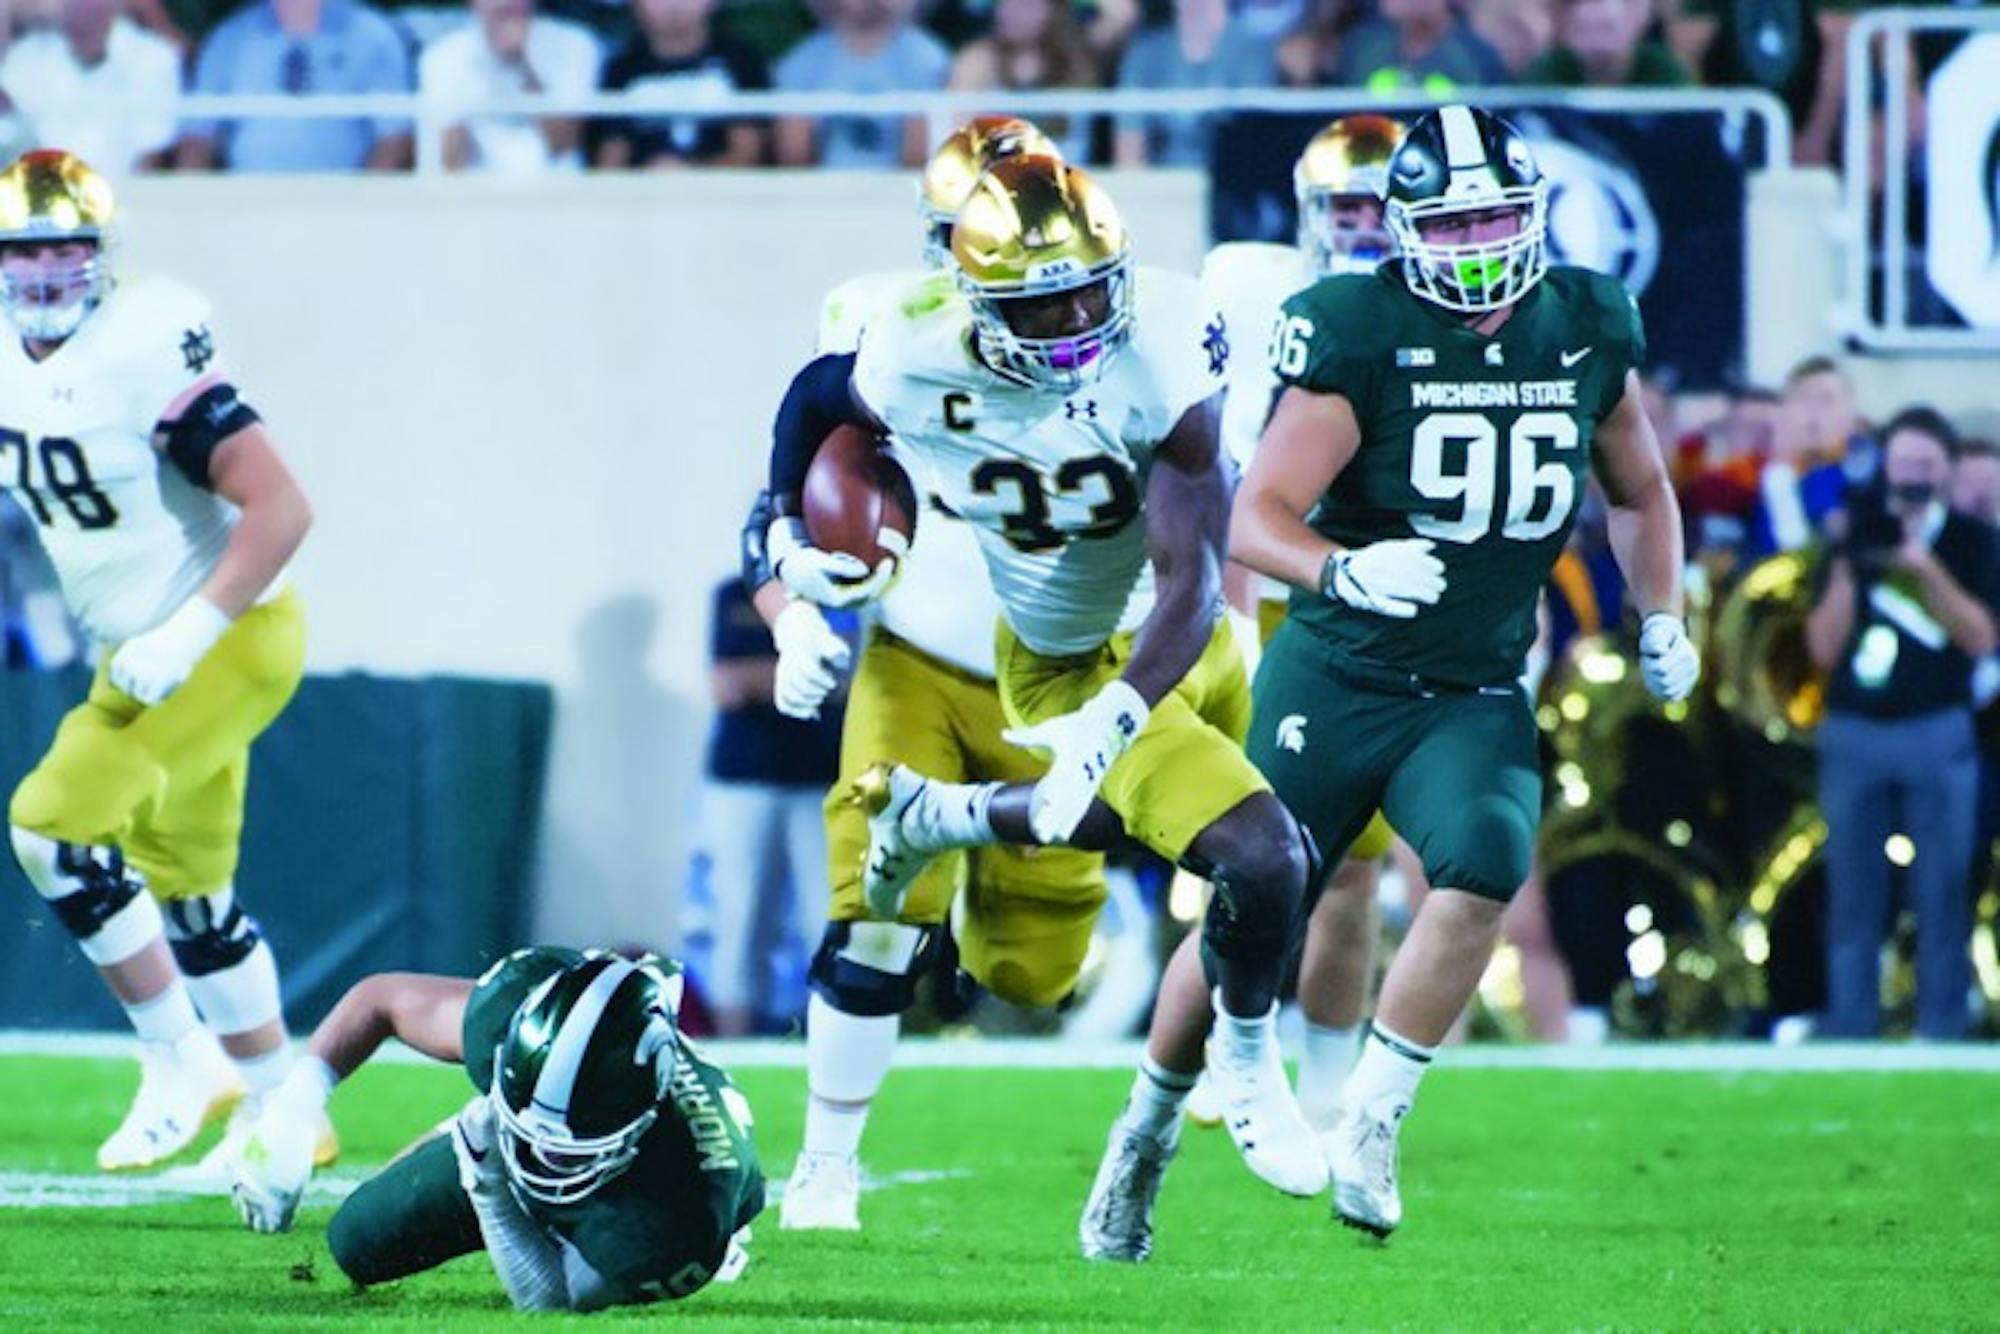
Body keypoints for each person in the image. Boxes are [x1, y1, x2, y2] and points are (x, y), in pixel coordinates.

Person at [762, 155, 1322, 1261]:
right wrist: (788, 553)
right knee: (1256, 853)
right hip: (1039, 654)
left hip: (1173, 640)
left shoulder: (1164, 332)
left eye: (1086, 287)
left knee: (1053, 962)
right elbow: (811, 401)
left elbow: (1195, 575)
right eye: (1039, 300)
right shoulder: (907, 341)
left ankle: (961, 821)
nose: (1074, 318)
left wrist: (1111, 726)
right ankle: (827, 1156)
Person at [1229, 105, 1697, 1235]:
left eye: (1495, 211)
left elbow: (1637, 489)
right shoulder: (1352, 324)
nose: (1478, 238)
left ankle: (1372, 1119)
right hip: (1338, 664)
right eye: (1450, 220)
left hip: (1474, 672)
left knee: (1484, 863)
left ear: (1536, 213)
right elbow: (1253, 513)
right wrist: (1340, 571)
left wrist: (1662, 611)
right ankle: (1193, 1088)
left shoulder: (1583, 321)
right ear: (1398, 231)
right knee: (1261, 880)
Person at [747, 116, 1113, 1234]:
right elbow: (776, 501)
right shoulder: (885, 333)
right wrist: (789, 612)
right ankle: (823, 1167)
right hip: (919, 664)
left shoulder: (1129, 343)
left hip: (1061, 675)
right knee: (873, 910)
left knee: (1029, 975)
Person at [0, 150, 323, 1173]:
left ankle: (179, 1054)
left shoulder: (144, 338)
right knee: (195, 897)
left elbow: (282, 506)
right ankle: (284, 1109)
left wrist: (187, 635)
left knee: (51, 829)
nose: (47, 271)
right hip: (134, 642)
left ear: (105, 256)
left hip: (222, 635)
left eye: (66, 247)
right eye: (24, 249)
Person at [1191, 114, 1405, 1136]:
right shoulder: (1247, 283)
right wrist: (1224, 614)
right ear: (1310, 210)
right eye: (1346, 206)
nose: (1362, 226)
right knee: (1225, 846)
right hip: (1264, 593)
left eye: (1378, 206)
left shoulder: (1438, 311)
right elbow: (1222, 472)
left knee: (1353, 859)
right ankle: (1219, 1052)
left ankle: (1325, 1083)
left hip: (1362, 608)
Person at [229, 947, 763, 1312]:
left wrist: (487, 1182)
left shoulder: (678, 1212)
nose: (542, 1157)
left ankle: (728, 1244)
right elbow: (380, 999)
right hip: (540, 1121)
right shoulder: (515, 1016)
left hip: (644, 1186)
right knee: (357, 1241)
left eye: (562, 1148)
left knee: (612, 1253)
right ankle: (506, 1123)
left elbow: (551, 1298)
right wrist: (291, 1115)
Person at [1805, 407, 1999, 1041]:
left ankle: (1942, 1028)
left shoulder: (1973, 541)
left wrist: (1923, 567)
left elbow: (1979, 637)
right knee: (1853, 891)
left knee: (1943, 887)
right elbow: (1823, 650)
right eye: (1903, 460)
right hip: (1854, 729)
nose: (1913, 474)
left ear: (1945, 470)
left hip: (1937, 727)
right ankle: (1850, 1027)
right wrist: (1845, 562)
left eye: (1926, 462)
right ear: (1884, 465)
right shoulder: (1853, 534)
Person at [698, 576, 840, 1037]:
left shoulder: (840, 589)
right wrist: (801, 672)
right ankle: (734, 1043)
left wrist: (766, 677)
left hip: (820, 777)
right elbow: (726, 682)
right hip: (742, 779)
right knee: (741, 917)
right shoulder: (734, 595)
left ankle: (835, 1032)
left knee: (830, 918)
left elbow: (845, 677)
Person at [177, 0, 416, 172]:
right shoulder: (229, 38)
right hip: (249, 210)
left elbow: (395, 139)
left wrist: (362, 209)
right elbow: (198, 139)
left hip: (344, 211)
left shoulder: (373, 36)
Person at [417, 0, 602, 174]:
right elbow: (449, 162)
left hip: (557, 194)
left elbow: (563, 145)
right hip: (475, 196)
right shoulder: (442, 55)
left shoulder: (574, 44)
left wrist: (522, 66)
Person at [0, 0, 183, 175]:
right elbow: (10, 134)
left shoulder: (155, 58)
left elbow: (152, 153)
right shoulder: (24, 57)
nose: (84, 5)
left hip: (127, 195)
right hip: (37, 193)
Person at [772, 0, 950, 170]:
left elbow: (919, 155)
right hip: (822, 193)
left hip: (900, 192)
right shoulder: (801, 62)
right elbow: (794, 156)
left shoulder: (927, 60)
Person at [592, 0, 769, 169]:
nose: (674, 5)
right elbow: (611, 158)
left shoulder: (742, 61)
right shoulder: (620, 70)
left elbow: (748, 152)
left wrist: (691, 174)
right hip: (642, 194)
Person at [1112, 0, 1279, 169]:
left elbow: (1254, 144)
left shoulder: (1253, 51)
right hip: (1162, 186)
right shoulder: (1146, 53)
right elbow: (1129, 151)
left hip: (1231, 187)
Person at [947, 0, 1100, 163]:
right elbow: (958, 138)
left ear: (1054, 8)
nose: (1011, 11)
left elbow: (1118, 15)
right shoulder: (975, 62)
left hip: (1068, 179)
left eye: (1025, 3)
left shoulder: (1080, 64)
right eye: (1005, 2)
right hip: (993, 180)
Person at [1525, 0, 1688, 87]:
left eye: (1605, 27)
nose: (1597, 12)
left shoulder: (1666, 72)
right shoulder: (1546, 72)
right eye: (1581, 2)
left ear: (1642, 15)